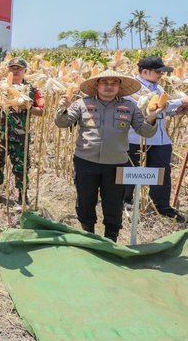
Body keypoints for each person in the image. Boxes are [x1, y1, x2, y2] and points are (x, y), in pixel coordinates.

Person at [54, 70, 162, 242]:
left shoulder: (129, 107)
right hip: (85, 161)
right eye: (105, 83)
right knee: (85, 200)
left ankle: (111, 238)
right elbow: (62, 123)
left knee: (114, 203)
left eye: (114, 83)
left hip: (116, 163)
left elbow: (145, 131)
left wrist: (151, 118)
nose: (109, 86)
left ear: (119, 87)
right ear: (97, 85)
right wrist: (62, 108)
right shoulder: (82, 104)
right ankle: (88, 234)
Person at [123, 56, 188, 222]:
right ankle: (125, 202)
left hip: (160, 139)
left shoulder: (158, 87)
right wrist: (180, 101)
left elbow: (159, 109)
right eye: (158, 72)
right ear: (145, 72)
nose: (161, 75)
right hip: (136, 137)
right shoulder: (133, 88)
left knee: (162, 173)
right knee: (131, 170)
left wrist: (175, 111)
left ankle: (162, 206)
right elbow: (146, 107)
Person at [0, 58, 44, 205]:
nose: (15, 71)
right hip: (0, 134)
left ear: (25, 70)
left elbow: (42, 111)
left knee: (22, 166)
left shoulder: (33, 90)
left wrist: (29, 107)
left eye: (18, 68)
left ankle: (22, 195)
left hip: (21, 136)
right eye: (12, 68)